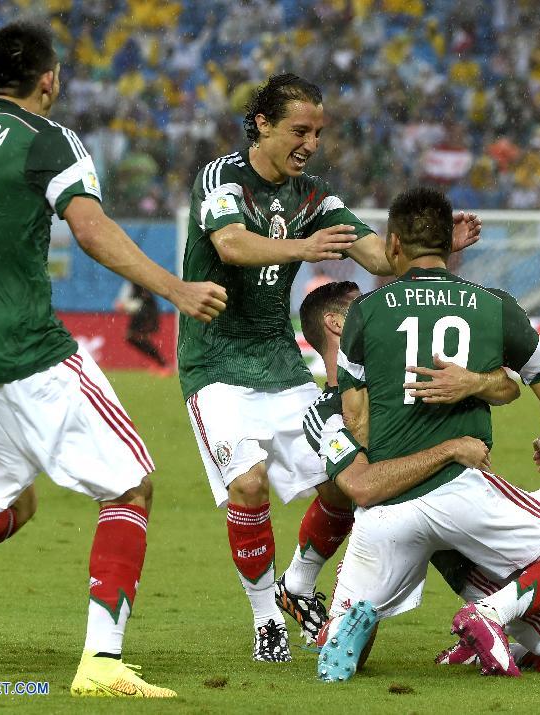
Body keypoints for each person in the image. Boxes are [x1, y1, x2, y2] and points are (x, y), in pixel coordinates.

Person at [0, 22, 226, 699]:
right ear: (48, 79)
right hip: (28, 346)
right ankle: (101, 659)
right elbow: (90, 228)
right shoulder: (46, 140)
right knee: (130, 485)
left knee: (8, 500)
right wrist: (175, 287)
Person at [177, 73, 482, 661]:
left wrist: (439, 249)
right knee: (248, 483)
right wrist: (303, 248)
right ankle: (267, 618)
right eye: (299, 130)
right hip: (214, 362)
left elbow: (375, 256)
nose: (311, 143)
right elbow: (232, 246)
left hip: (280, 363)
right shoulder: (221, 180)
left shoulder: (313, 195)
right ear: (262, 125)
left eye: (318, 132)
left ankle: (297, 582)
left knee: (347, 482)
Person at [298, 281, 540, 676]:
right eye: (361, 306)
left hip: (484, 506)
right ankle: (494, 621)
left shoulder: (425, 357)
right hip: (428, 529)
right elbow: (362, 487)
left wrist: (476, 382)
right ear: (336, 325)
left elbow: (507, 385)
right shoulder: (331, 413)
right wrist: (450, 449)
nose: (380, 311)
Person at [316, 186, 540, 680]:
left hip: (387, 507)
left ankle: (349, 621)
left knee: (348, 646)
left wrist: (388, 460)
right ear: (448, 244)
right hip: (464, 491)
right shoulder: (493, 307)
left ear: (392, 245)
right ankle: (493, 613)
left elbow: (356, 417)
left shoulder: (365, 313)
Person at [115, 281, 168, 369]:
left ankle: (162, 364)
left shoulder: (139, 283)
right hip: (141, 314)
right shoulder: (134, 283)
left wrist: (126, 305)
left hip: (145, 314)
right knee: (135, 337)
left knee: (136, 337)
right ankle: (160, 363)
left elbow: (142, 301)